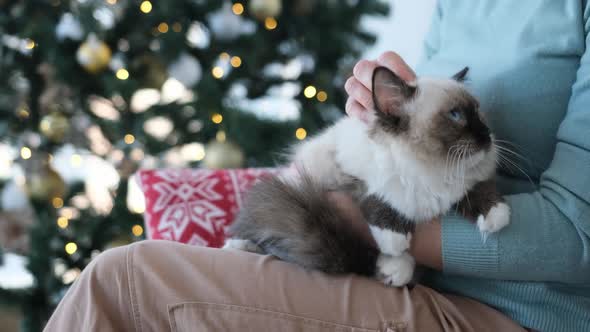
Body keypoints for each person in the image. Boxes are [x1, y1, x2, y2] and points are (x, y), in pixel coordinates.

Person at [44, 1, 590, 331]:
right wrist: (389, 110)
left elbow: (578, 234)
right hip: (410, 283)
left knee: (124, 285)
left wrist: (373, 224)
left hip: (513, 315)